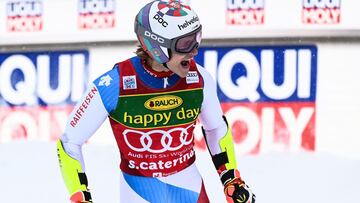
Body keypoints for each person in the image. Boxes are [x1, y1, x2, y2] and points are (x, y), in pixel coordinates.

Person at [56, 0, 256, 202]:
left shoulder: (200, 79)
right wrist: (80, 195)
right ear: (157, 46)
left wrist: (231, 179)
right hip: (139, 191)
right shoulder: (114, 85)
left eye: (197, 38)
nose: (194, 50)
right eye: (185, 43)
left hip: (189, 188)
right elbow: (69, 142)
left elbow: (215, 129)